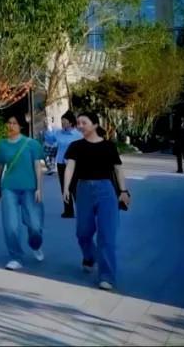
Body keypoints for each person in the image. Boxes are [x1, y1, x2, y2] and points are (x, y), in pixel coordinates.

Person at [63, 111, 131, 291]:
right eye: (78, 123)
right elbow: (70, 167)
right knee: (82, 232)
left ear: (94, 124)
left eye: (83, 122)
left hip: (106, 190)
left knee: (107, 234)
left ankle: (106, 276)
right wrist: (66, 188)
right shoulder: (76, 146)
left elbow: (118, 169)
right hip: (83, 189)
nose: (80, 126)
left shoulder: (109, 146)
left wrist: (123, 191)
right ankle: (89, 256)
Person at [0, 112, 46, 271]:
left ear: (21, 125)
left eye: (14, 123)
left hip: (30, 188)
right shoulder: (2, 144)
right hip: (9, 188)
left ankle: (35, 244)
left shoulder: (32, 144)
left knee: (35, 225)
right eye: (9, 122)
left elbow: (38, 166)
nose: (11, 126)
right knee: (11, 225)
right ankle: (16, 257)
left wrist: (39, 188)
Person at [45, 111, 83, 218]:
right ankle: (68, 211)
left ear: (71, 123)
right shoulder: (58, 133)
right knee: (64, 187)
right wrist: (48, 128)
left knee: (75, 187)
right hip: (61, 163)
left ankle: (82, 210)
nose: (62, 123)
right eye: (61, 121)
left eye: (64, 121)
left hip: (74, 164)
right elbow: (50, 140)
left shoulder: (78, 135)